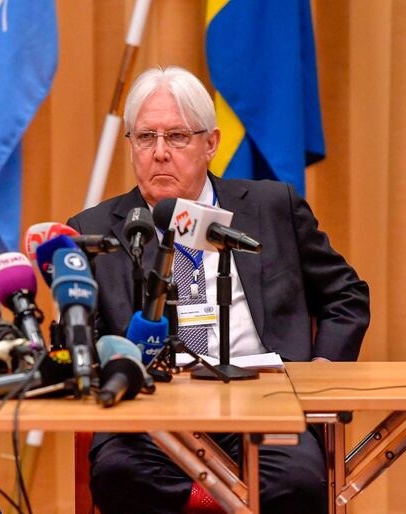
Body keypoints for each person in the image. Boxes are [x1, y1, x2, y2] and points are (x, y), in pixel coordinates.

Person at [67, 65, 370, 514]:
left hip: (261, 404)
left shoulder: (272, 207)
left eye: (177, 137)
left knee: (296, 481)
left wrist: (319, 375)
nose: (160, 153)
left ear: (211, 143)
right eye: (145, 137)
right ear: (130, 146)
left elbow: (346, 294)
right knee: (119, 476)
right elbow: (82, 338)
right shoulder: (94, 230)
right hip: (149, 417)